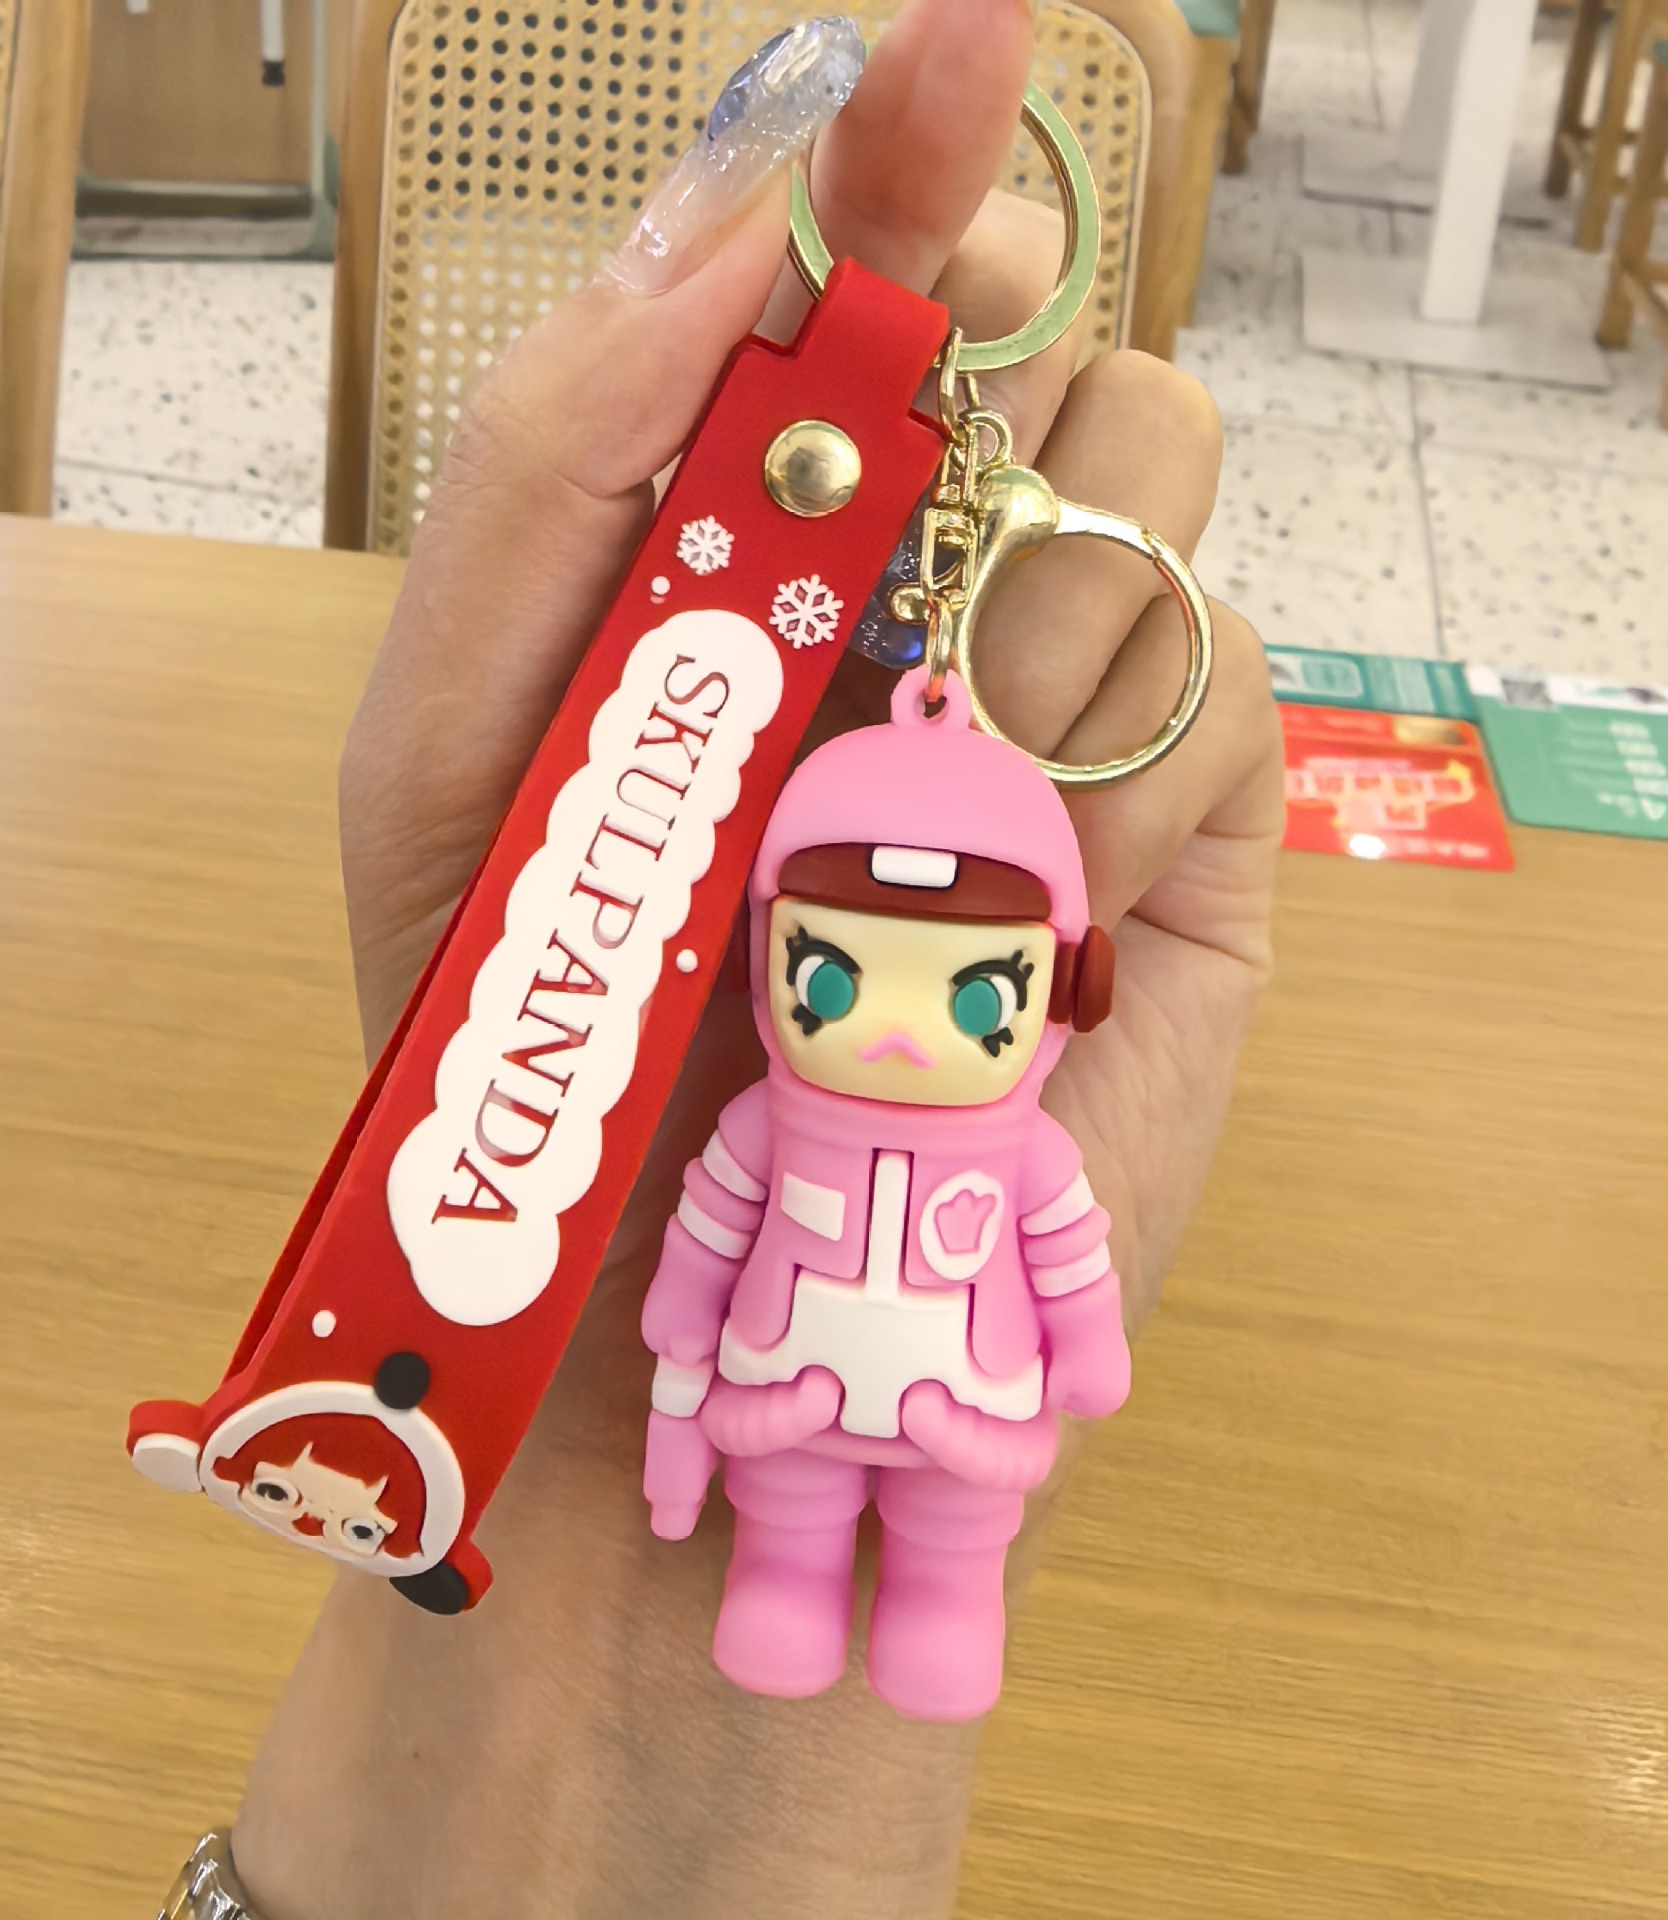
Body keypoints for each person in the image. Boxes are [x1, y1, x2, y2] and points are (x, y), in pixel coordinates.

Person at [228, 1, 1281, 1912]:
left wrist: (1081, 1353)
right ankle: (790, 1600)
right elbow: (704, 1242)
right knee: (796, 1545)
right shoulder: (744, 1132)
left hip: (944, 1417)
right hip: (780, 1399)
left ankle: (907, 1623)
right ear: (774, 938)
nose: (900, 1027)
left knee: (934, 1573)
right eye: (836, 975)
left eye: (978, 992)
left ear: (1058, 981)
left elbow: (1052, 1252)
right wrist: (615, 1423)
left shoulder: (1003, 1153)